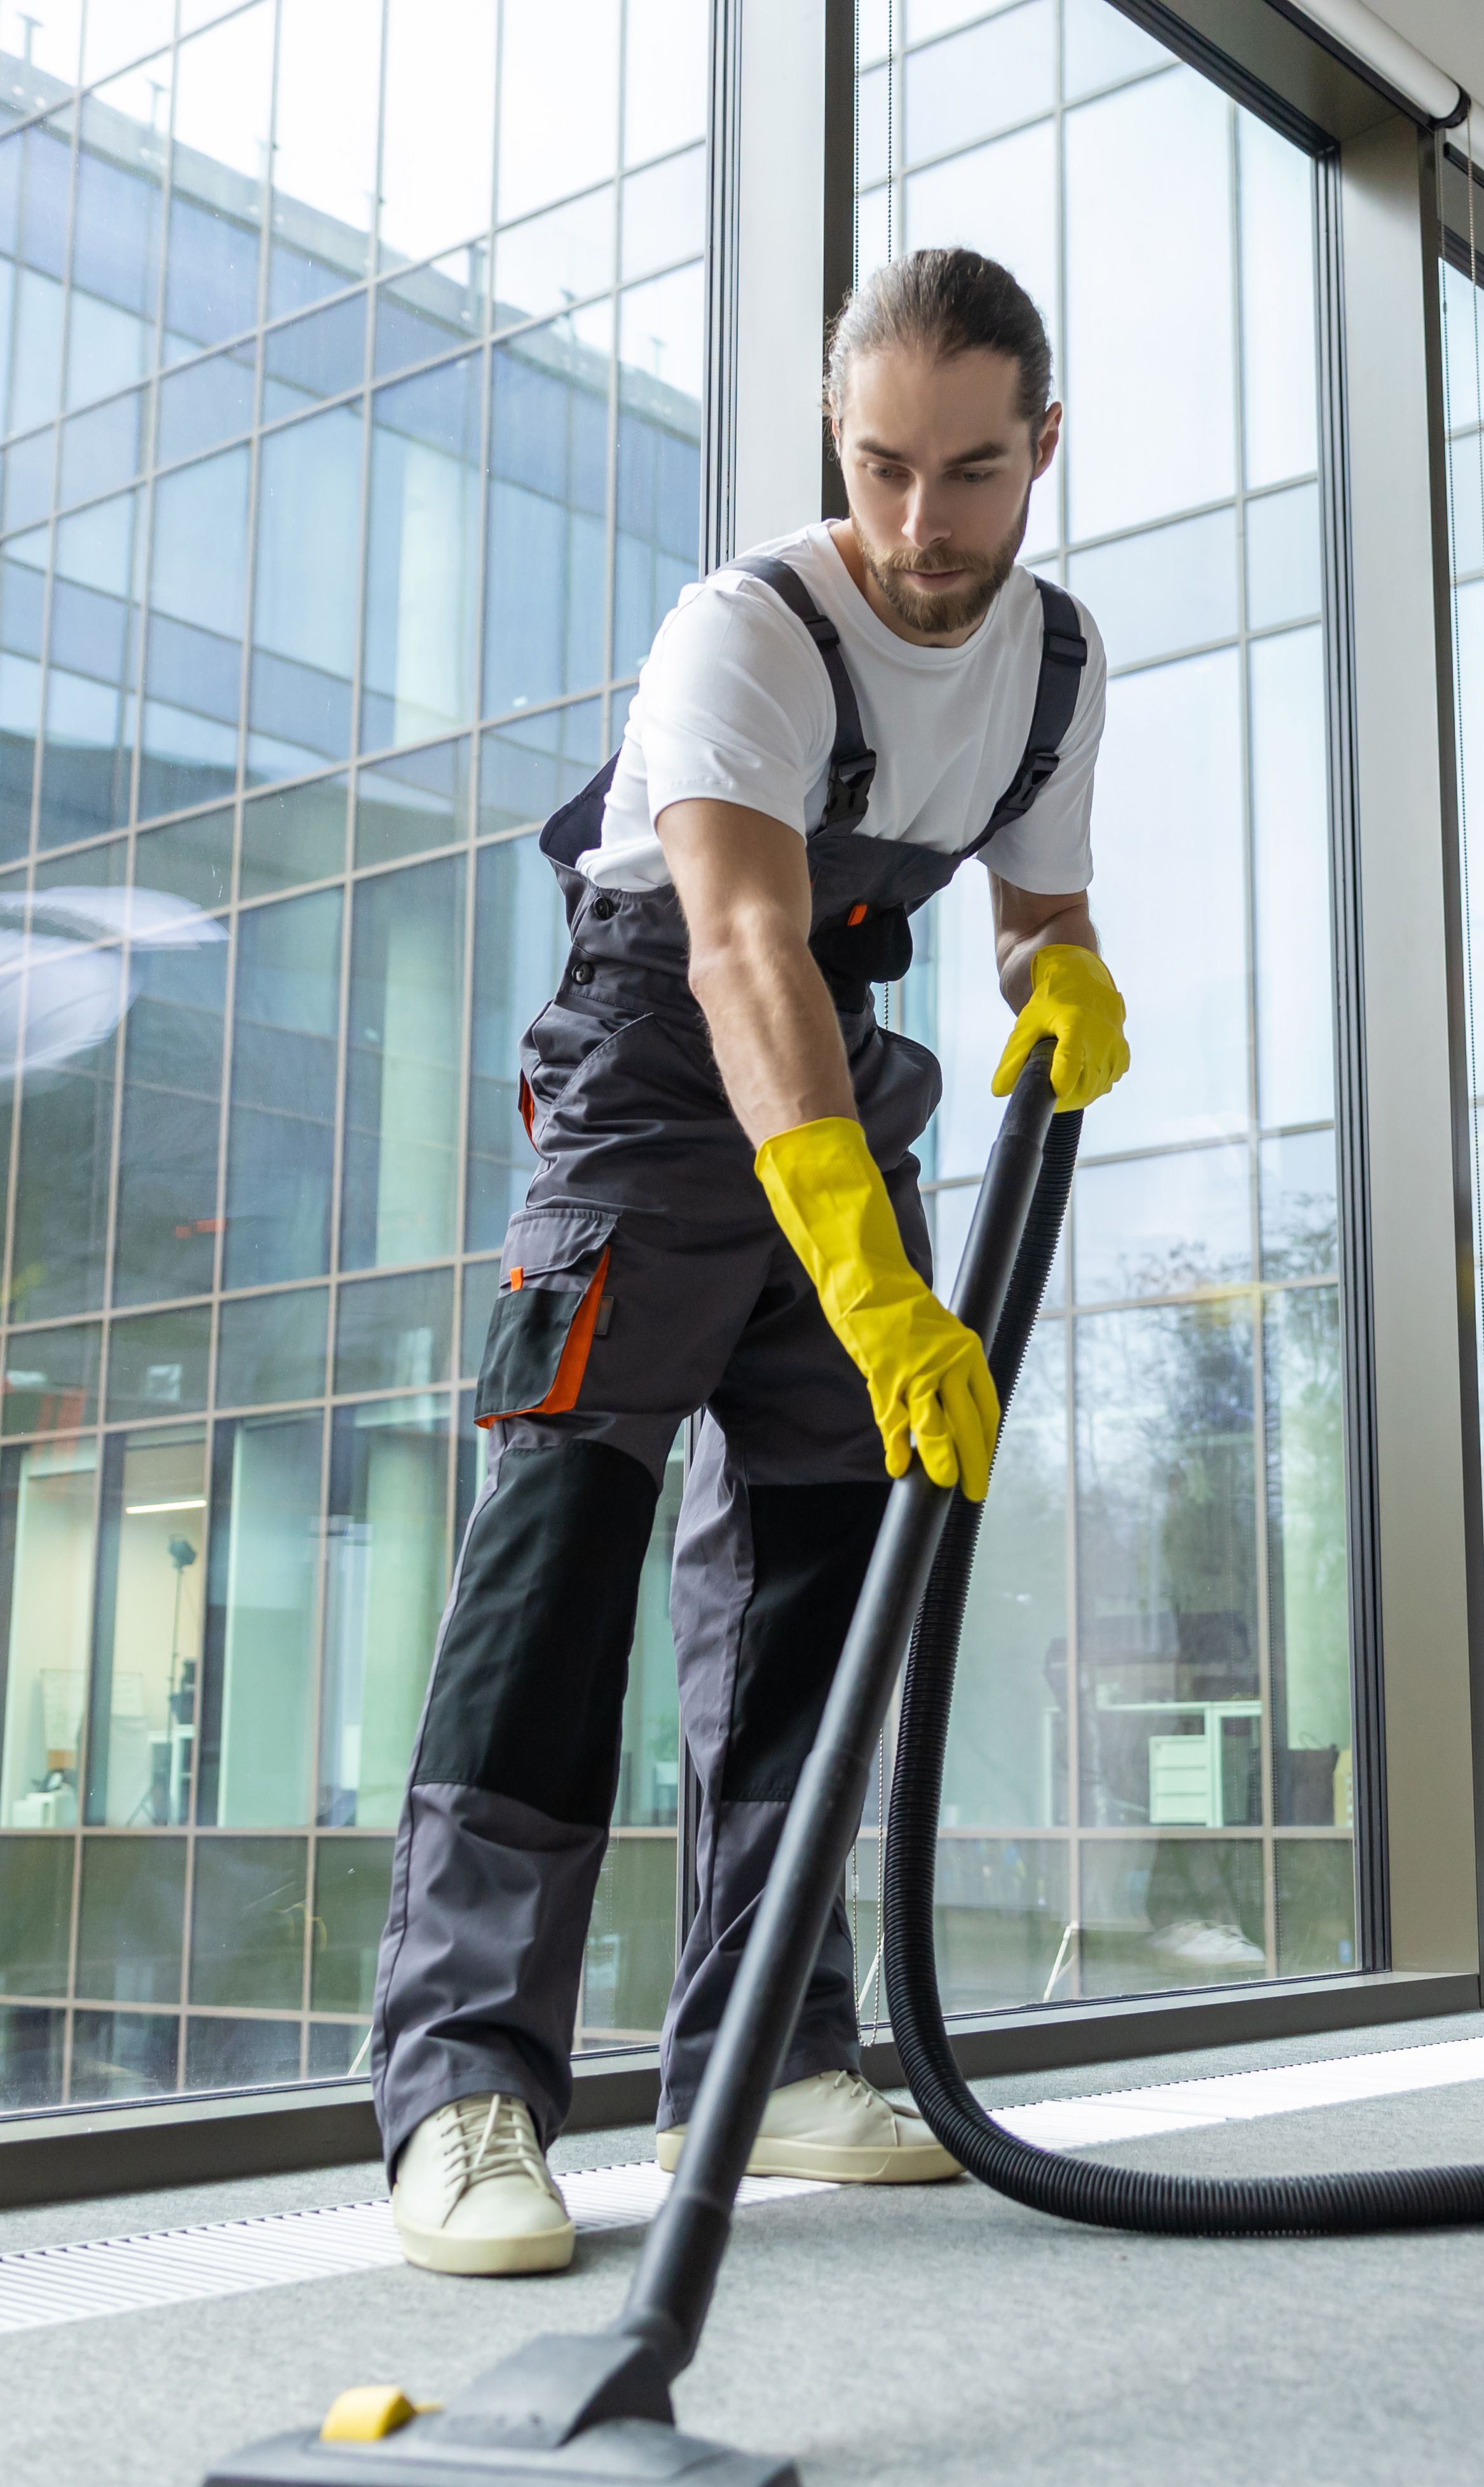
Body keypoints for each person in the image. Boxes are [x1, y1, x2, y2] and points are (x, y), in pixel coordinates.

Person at [365, 249, 1129, 2276]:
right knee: (557, 1568)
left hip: (842, 1090)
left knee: (813, 1585)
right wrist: (882, 1292)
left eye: (970, 473)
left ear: (1042, 449)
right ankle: (462, 2095)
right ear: (835, 441)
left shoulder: (1056, 663)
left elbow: (1033, 914)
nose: (917, 526)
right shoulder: (751, 632)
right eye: (879, 467)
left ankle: (772, 2061)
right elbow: (734, 951)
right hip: (652, 1082)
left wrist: (1067, 984)